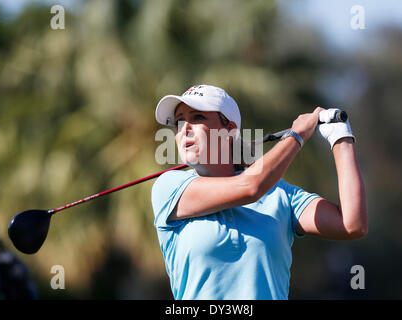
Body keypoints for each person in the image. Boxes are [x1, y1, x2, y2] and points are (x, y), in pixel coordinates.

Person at [151, 84, 367, 299]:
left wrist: (341, 138)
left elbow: (352, 224)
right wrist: (297, 135)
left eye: (197, 117)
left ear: (229, 131)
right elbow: (250, 187)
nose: (184, 129)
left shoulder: (280, 195)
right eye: (179, 121)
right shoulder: (169, 187)